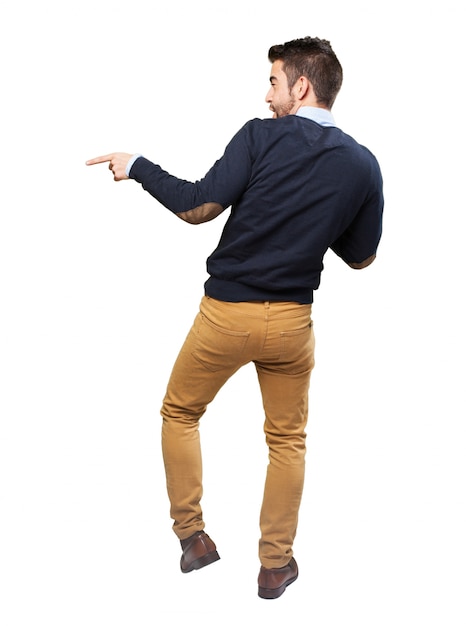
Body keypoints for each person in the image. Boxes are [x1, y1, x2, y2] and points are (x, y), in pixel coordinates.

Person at [86, 36, 383, 599]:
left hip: (226, 316)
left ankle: (193, 538)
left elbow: (198, 207)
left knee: (179, 411)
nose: (266, 94)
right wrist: (320, 213)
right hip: (293, 326)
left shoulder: (259, 135)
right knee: (287, 440)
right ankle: (275, 567)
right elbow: (362, 257)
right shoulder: (363, 164)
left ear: (301, 86)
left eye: (273, 81)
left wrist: (138, 167)